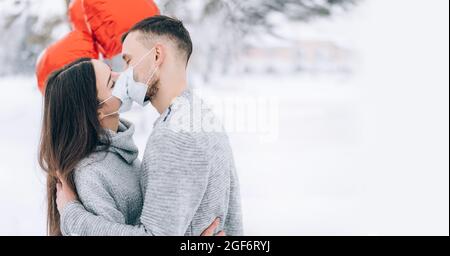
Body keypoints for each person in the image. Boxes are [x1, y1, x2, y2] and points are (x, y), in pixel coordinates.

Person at [57, 15, 244, 236]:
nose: (125, 74)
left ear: (156, 55)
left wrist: (71, 214)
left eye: (128, 60)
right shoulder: (200, 114)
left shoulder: (174, 135)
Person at [39, 58, 223, 236]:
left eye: (112, 70)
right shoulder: (92, 174)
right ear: (98, 110)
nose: (121, 77)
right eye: (111, 83)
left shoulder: (120, 151)